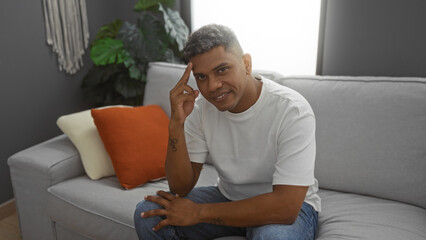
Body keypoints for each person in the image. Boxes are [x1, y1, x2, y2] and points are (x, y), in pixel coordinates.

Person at [134, 24, 321, 240]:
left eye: (222, 70)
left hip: (287, 208)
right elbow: (180, 187)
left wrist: (198, 213)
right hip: (228, 197)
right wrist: (176, 123)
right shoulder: (200, 109)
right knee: (147, 214)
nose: (212, 86)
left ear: (246, 64)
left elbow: (286, 208)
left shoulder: (293, 110)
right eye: (202, 77)